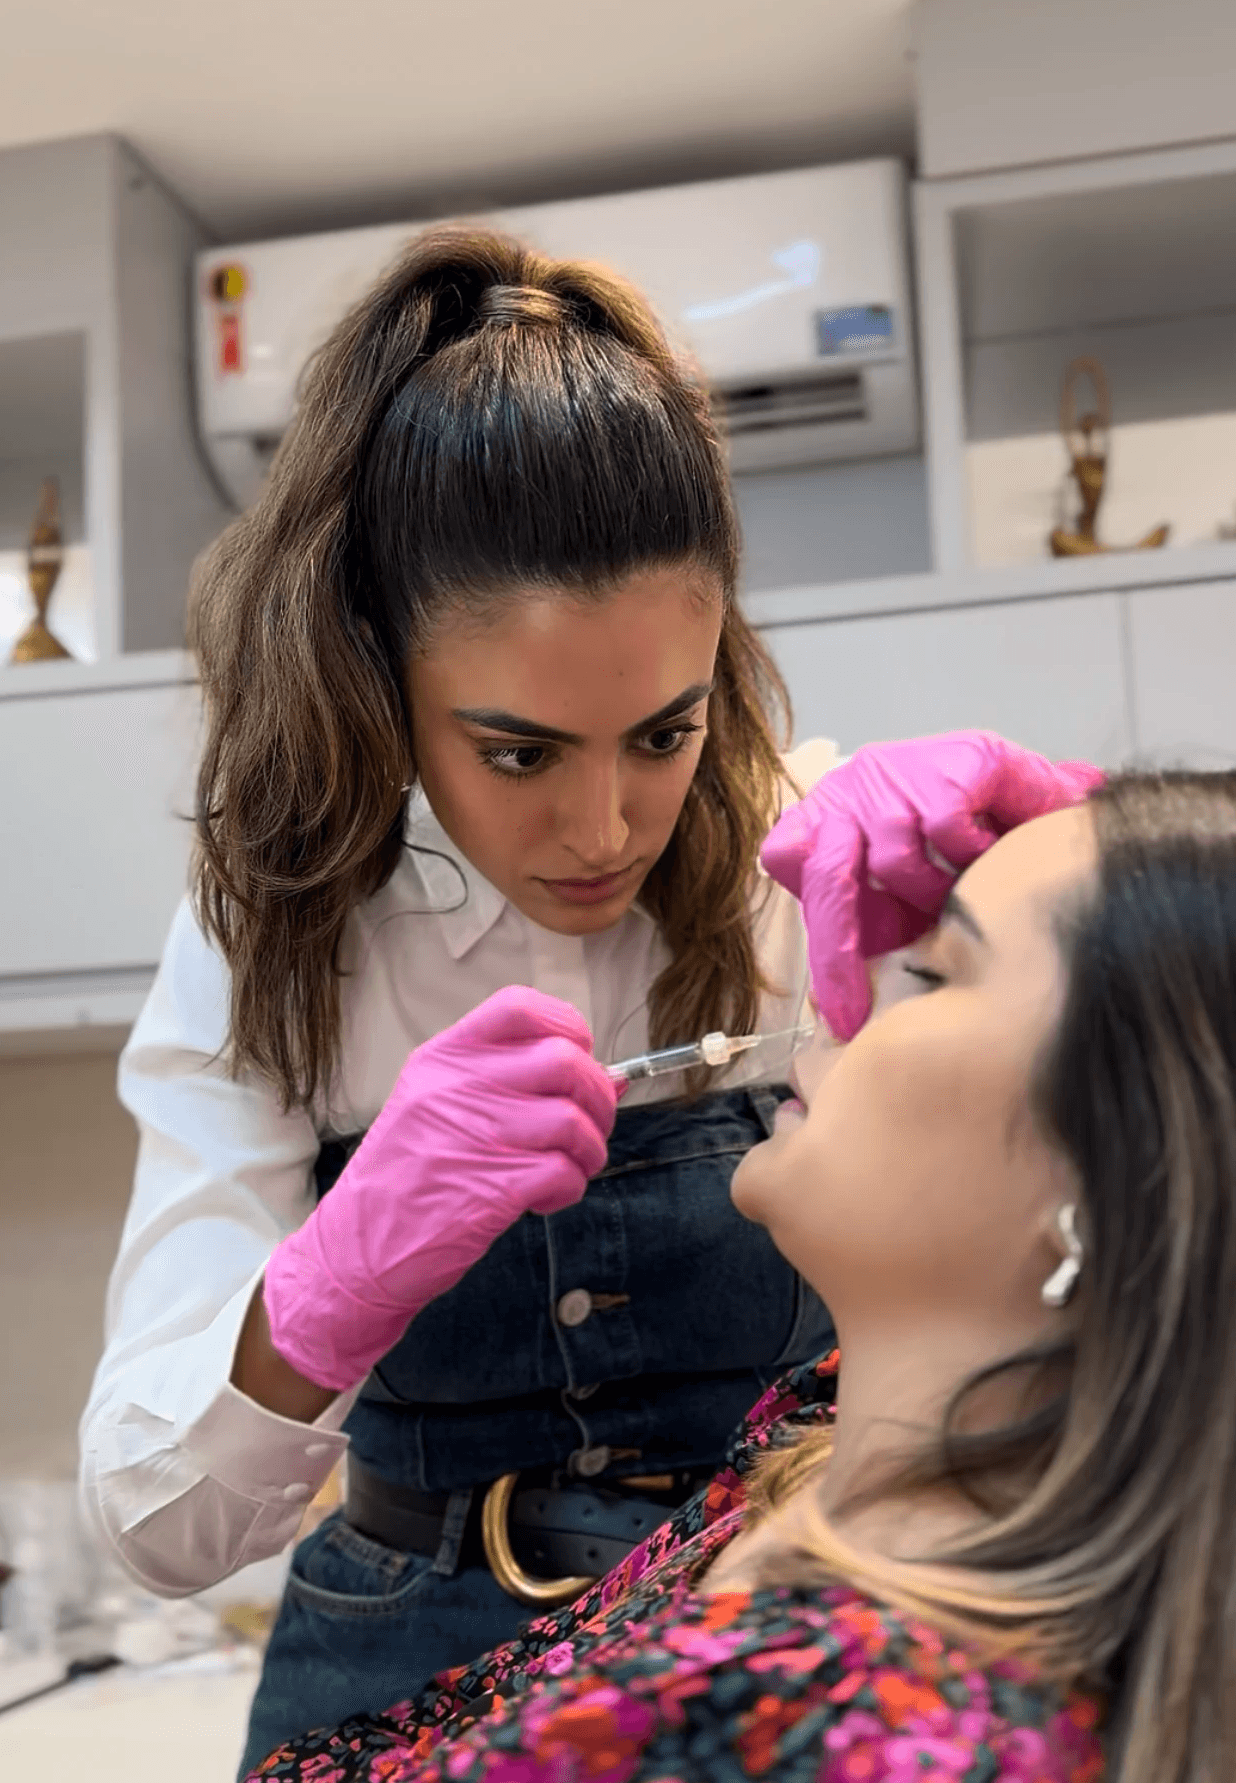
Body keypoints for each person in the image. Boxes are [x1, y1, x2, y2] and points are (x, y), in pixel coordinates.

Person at [78, 223, 1095, 1773]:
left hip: (749, 1607)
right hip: (391, 1632)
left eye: (665, 733)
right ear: (377, 681)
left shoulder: (816, 872)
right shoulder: (272, 946)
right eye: (519, 751)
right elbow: (149, 1530)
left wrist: (1067, 835)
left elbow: (1156, 1096)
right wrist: (328, 1287)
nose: (611, 828)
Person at [249, 770, 1236, 1783]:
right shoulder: (818, 1431)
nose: (839, 988)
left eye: (936, 969)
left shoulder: (833, 1722)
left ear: (1126, 1182)